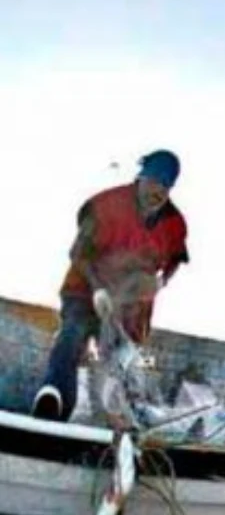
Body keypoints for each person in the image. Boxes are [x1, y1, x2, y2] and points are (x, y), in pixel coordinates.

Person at [32, 150, 189, 422]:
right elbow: (78, 252)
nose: (159, 191)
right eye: (155, 181)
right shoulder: (105, 204)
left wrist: (162, 280)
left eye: (167, 185)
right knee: (72, 335)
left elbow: (177, 258)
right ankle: (54, 398)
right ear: (141, 177)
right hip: (85, 290)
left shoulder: (174, 224)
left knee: (122, 363)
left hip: (130, 307)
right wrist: (98, 290)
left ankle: (121, 422)